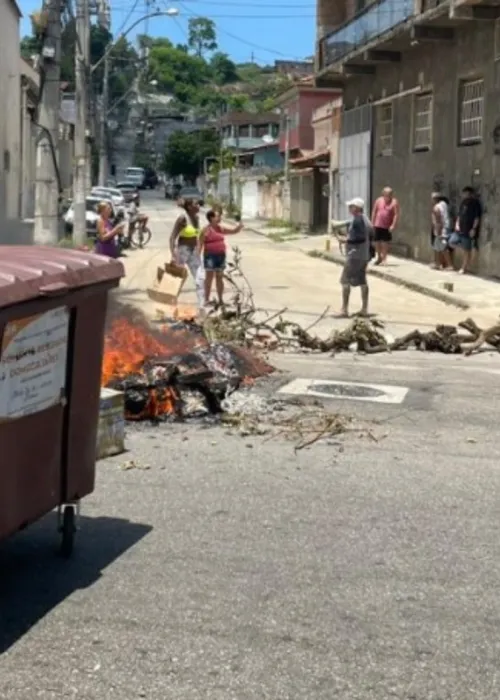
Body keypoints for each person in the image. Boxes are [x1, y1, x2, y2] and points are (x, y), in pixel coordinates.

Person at [197, 209, 242, 307]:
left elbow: (234, 231)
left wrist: (239, 225)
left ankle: (220, 300)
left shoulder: (220, 228)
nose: (220, 218)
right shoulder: (206, 230)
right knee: (209, 278)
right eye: (217, 216)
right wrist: (197, 256)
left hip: (220, 255)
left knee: (219, 277)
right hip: (209, 256)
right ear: (211, 218)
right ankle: (207, 300)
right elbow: (200, 243)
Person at [339, 197, 373, 317]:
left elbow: (359, 238)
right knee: (362, 281)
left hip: (355, 255)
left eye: (351, 206)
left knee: (345, 280)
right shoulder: (365, 220)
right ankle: (364, 309)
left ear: (356, 208)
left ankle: (344, 309)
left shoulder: (358, 220)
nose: (349, 208)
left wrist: (346, 240)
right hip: (363, 255)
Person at [170, 197, 204, 306]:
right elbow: (172, 238)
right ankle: (171, 304)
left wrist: (199, 250)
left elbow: (197, 236)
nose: (198, 205)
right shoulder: (182, 219)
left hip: (194, 252)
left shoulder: (196, 218)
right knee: (177, 280)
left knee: (200, 279)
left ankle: (202, 306)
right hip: (182, 251)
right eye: (196, 203)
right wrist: (173, 255)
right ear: (189, 207)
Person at [453, 186, 482, 274]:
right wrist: (457, 224)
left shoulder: (475, 203)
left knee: (467, 249)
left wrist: (473, 229)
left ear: (469, 194)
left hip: (468, 229)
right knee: (451, 241)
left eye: (465, 193)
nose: (463, 195)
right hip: (460, 228)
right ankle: (464, 265)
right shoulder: (463, 203)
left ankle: (464, 267)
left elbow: (477, 218)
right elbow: (459, 215)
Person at [371, 186, 400, 266]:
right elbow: (374, 211)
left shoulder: (394, 202)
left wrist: (393, 225)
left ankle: (384, 259)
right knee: (376, 242)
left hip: (386, 225)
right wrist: (372, 223)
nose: (388, 196)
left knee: (385, 243)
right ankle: (379, 257)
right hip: (378, 224)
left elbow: (396, 214)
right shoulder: (378, 200)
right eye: (386, 194)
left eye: (390, 194)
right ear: (383, 194)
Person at [430, 193, 453, 270]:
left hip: (441, 229)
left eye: (432, 199)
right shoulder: (444, 205)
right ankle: (438, 263)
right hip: (446, 228)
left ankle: (449, 265)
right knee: (437, 247)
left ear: (435, 199)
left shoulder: (436, 208)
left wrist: (439, 232)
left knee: (443, 248)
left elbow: (438, 220)